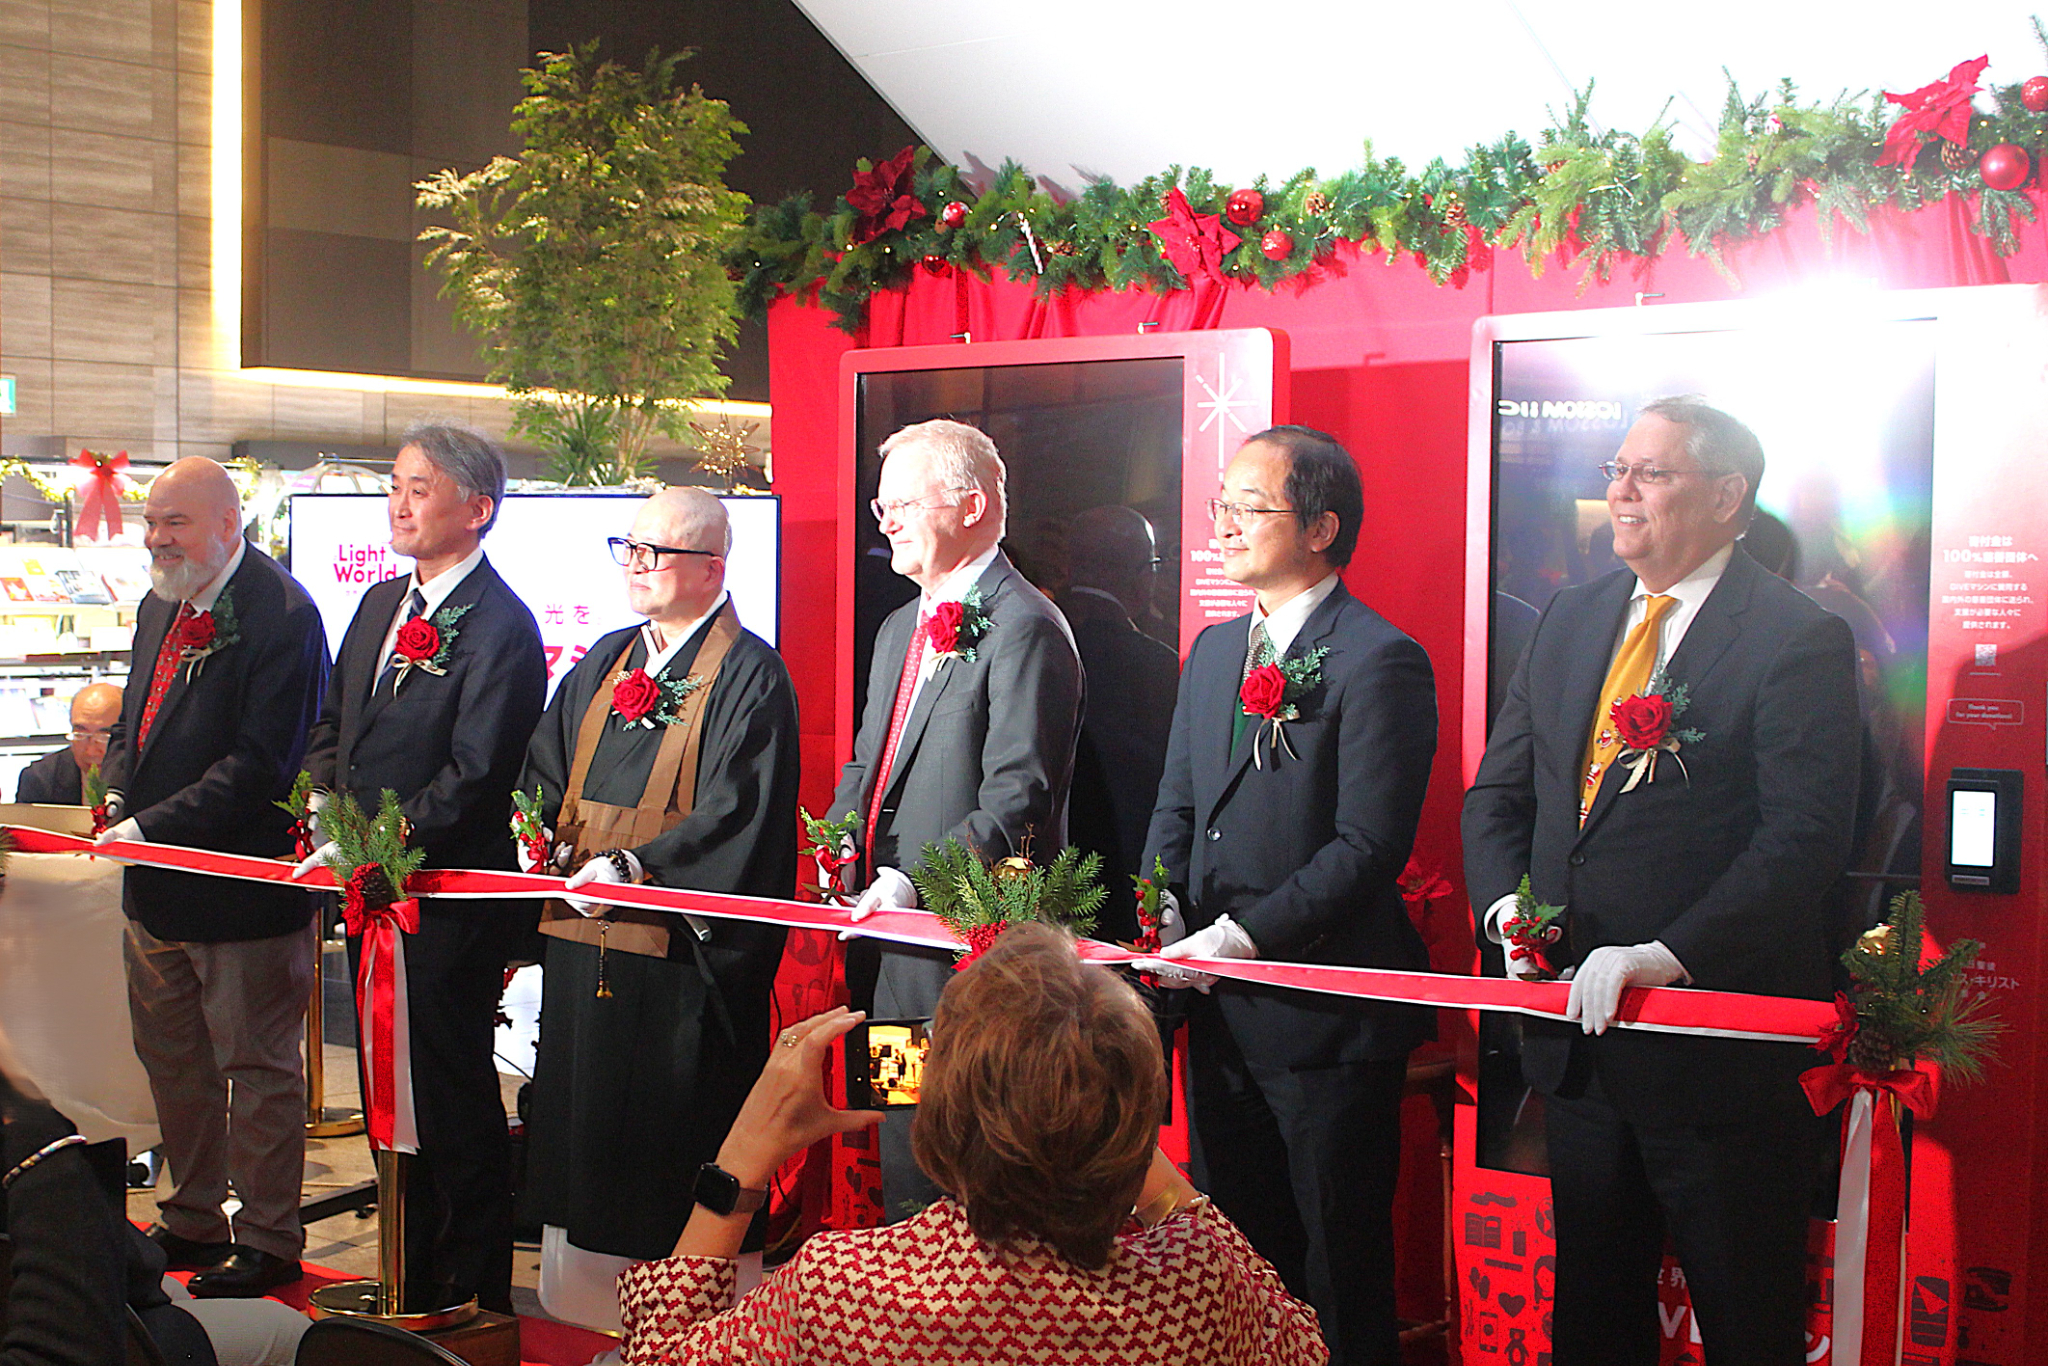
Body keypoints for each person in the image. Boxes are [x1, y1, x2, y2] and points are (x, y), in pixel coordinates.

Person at [1462, 396, 1861, 1366]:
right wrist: (1507, 909)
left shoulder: (1794, 635)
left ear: (1726, 496)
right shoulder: (1571, 617)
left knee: (1746, 1325)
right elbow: (1498, 795)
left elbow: (1803, 840)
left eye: (1651, 472)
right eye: (1617, 469)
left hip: (1716, 1060)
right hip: (1579, 1049)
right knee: (1593, 1323)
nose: (1621, 492)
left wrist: (1666, 952)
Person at [617, 923, 1328, 1366]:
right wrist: (1104, 1114)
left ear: (940, 1113)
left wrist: (742, 1157)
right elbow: (1300, 1344)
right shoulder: (1197, 1286)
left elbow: (660, 1357)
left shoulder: (845, 1289)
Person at [1137, 425, 1437, 1366]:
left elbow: (1368, 846)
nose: (1223, 524)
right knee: (1237, 1260)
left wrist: (1244, 937)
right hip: (1216, 1012)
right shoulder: (1214, 650)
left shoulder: (1381, 658)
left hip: (1324, 1018)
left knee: (1339, 1266)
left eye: (1249, 507)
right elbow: (1177, 806)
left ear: (1321, 527)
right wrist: (1163, 913)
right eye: (1220, 505)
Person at [516, 488, 800, 1329]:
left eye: (656, 551)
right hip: (583, 935)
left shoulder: (751, 673)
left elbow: (740, 813)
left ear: (712, 567)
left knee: (666, 1134)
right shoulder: (609, 658)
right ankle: (585, 1310)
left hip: (679, 958)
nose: (635, 565)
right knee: (582, 1119)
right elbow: (544, 765)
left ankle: (689, 1317)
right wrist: (534, 836)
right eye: (629, 547)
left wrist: (642, 865)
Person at [299, 420, 547, 1314]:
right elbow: (334, 725)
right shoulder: (378, 605)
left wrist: (381, 846)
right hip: (370, 892)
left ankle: (473, 1291)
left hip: (442, 903)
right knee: (384, 1092)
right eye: (395, 486)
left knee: (446, 1093)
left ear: (477, 510)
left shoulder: (503, 626)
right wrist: (323, 807)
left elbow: (478, 776)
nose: (398, 505)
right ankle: (407, 1269)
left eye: (419, 488)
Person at [824, 418, 1083, 1216]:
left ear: (972, 507)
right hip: (893, 949)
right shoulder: (899, 627)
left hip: (969, 954)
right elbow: (867, 767)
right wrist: (837, 844)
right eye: (881, 507)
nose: (887, 522)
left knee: (965, 1165)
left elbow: (1018, 797)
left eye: (904, 503)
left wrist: (910, 881)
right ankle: (913, 1289)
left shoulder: (1026, 625)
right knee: (906, 1152)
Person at [93, 457, 329, 1298]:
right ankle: (192, 1214)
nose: (157, 539)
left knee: (257, 1070)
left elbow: (261, 764)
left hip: (242, 892)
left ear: (229, 524)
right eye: (152, 521)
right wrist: (116, 794)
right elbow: (134, 723)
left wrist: (147, 827)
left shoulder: (283, 614)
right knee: (174, 1061)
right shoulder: (163, 602)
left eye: (176, 523)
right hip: (156, 890)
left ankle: (268, 1235)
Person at [1056, 505, 1179, 930]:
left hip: (1041, 860)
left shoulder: (1034, 637)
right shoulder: (1158, 665)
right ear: (1142, 575)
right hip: (1127, 866)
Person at [13, 682, 120, 805]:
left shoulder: (140, 777)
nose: (91, 751)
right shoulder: (40, 778)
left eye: (104, 737)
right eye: (80, 735)